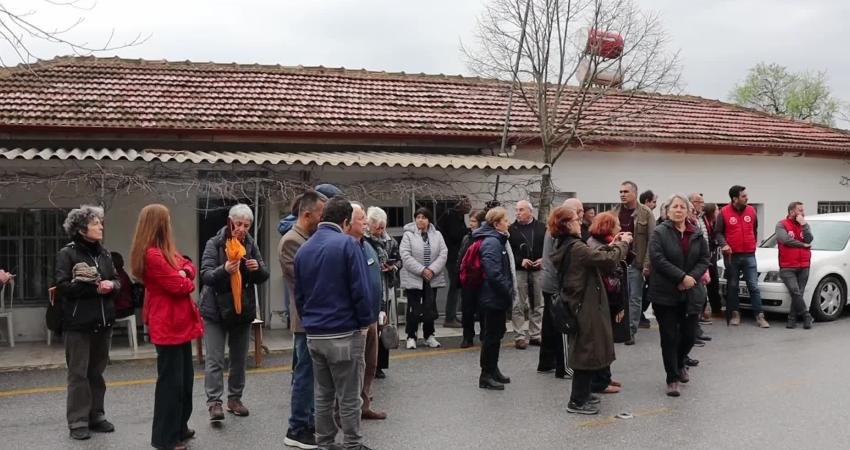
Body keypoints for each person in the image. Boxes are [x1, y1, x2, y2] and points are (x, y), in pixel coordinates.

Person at [294, 197, 374, 450]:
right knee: (349, 396)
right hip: (344, 330)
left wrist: (310, 322)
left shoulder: (303, 249)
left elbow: (299, 296)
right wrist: (365, 323)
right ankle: (353, 444)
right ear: (345, 221)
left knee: (323, 393)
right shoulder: (347, 245)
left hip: (315, 333)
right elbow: (360, 290)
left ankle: (325, 442)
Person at [130, 204, 204, 450]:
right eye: (168, 220)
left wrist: (183, 271)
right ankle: (165, 438)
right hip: (168, 324)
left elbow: (190, 266)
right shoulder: (153, 255)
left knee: (184, 381)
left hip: (178, 323)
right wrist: (183, 275)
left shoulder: (165, 252)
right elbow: (181, 286)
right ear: (159, 224)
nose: (171, 224)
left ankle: (179, 427)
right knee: (170, 385)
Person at [549, 206, 630, 415]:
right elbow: (608, 261)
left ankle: (584, 394)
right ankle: (576, 401)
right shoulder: (575, 247)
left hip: (582, 304)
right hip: (583, 306)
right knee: (586, 352)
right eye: (576, 219)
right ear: (567, 224)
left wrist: (611, 244)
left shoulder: (569, 245)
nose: (580, 222)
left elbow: (594, 255)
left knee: (589, 349)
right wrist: (623, 244)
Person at [54, 205, 120, 440]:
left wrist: (111, 285)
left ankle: (97, 416)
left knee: (97, 373)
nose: (101, 226)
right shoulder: (67, 253)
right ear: (81, 229)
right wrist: (90, 285)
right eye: (95, 223)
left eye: (100, 222)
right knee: (78, 374)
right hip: (78, 324)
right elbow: (62, 287)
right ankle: (78, 421)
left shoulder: (105, 253)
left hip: (103, 323)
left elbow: (116, 280)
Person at [200, 204, 270, 420]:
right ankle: (214, 402)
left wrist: (256, 268)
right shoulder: (215, 243)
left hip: (241, 309)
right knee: (215, 359)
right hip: (215, 309)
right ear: (229, 222)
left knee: (239, 358)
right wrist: (224, 270)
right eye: (238, 224)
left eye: (246, 225)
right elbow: (206, 275)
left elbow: (264, 273)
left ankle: (234, 399)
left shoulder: (250, 244)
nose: (242, 229)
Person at [648, 194, 710, 397]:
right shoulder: (659, 232)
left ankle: (681, 361)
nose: (678, 209)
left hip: (691, 292)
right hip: (665, 293)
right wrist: (681, 277)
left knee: (690, 335)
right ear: (667, 211)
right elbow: (658, 259)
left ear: (687, 210)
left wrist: (691, 278)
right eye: (674, 206)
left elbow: (704, 259)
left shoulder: (696, 232)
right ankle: (672, 378)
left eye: (682, 206)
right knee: (669, 337)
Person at [279, 190, 326, 449]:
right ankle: (296, 428)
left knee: (310, 375)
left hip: (314, 318)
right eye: (321, 213)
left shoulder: (307, 237)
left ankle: (308, 422)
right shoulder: (292, 241)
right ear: (307, 214)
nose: (324, 218)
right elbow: (307, 280)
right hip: (305, 318)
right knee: (304, 375)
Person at [348, 203, 387, 420]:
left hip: (372, 316)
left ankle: (364, 403)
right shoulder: (346, 246)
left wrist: (381, 308)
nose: (365, 223)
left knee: (371, 364)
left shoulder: (368, 245)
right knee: (354, 367)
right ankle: (348, 410)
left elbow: (376, 280)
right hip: (356, 320)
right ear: (347, 222)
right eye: (361, 219)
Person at [538, 199, 581, 379]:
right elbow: (559, 260)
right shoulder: (559, 232)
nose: (581, 214)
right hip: (555, 283)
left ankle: (546, 362)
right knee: (560, 324)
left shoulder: (552, 228)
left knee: (549, 323)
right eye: (578, 211)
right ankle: (562, 366)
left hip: (548, 280)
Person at [472, 207, 514, 390]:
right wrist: (507, 290)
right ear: (496, 224)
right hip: (492, 297)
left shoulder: (497, 239)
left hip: (495, 296)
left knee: (496, 335)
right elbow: (493, 272)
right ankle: (486, 375)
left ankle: (493, 369)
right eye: (505, 220)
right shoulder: (492, 242)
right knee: (490, 337)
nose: (508, 223)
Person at [715, 185, 769, 328]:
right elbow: (718, 232)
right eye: (743, 196)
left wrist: (752, 243)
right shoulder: (724, 212)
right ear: (735, 198)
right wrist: (724, 244)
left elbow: (754, 229)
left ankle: (759, 315)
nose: (747, 198)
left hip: (749, 254)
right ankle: (735, 314)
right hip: (732, 256)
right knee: (733, 286)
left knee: (753, 285)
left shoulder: (751, 210)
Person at [587, 212, 629, 395]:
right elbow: (610, 270)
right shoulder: (596, 245)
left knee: (607, 341)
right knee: (601, 342)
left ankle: (605, 377)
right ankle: (599, 381)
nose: (620, 228)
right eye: (617, 225)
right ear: (608, 226)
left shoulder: (605, 242)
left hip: (609, 299)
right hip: (602, 300)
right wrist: (622, 244)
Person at [611, 181, 655, 345]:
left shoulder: (646, 213)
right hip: (616, 261)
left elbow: (652, 239)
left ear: (635, 194)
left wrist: (647, 263)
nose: (622, 194)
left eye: (626, 191)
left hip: (635, 263)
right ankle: (616, 329)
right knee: (616, 297)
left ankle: (630, 331)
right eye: (621, 191)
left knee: (634, 298)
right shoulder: (614, 211)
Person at [400, 207, 448, 349]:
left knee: (430, 308)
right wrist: (421, 270)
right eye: (418, 217)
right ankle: (411, 336)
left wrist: (432, 270)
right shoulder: (408, 235)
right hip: (414, 277)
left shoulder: (437, 235)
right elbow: (405, 255)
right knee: (413, 308)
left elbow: (443, 253)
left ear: (429, 220)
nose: (420, 220)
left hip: (431, 278)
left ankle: (429, 335)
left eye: (424, 217)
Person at [365, 206, 400, 379]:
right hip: (371, 288)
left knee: (384, 325)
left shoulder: (390, 241)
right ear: (369, 225)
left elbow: (399, 260)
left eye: (383, 227)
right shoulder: (363, 241)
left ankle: (380, 365)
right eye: (377, 227)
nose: (381, 231)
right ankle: (368, 364)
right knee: (372, 328)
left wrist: (392, 266)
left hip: (387, 287)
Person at [509, 200, 546, 349]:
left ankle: (535, 335)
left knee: (538, 304)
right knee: (518, 304)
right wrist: (520, 260)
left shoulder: (542, 228)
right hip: (520, 270)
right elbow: (509, 251)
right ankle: (519, 336)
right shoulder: (511, 229)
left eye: (521, 210)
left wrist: (543, 259)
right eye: (517, 210)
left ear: (531, 212)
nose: (518, 212)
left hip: (538, 270)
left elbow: (549, 248)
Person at [777, 202, 815, 330]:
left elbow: (809, 239)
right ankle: (806, 315)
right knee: (795, 291)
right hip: (787, 266)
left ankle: (792, 319)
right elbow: (785, 240)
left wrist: (804, 225)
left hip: (804, 264)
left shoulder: (805, 224)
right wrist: (802, 245)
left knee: (799, 293)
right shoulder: (781, 224)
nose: (803, 212)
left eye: (803, 210)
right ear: (792, 212)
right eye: (800, 210)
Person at [437, 197, 471, 328]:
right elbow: (456, 234)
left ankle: (452, 315)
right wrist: (468, 232)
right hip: (452, 256)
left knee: (456, 287)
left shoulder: (456, 216)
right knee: (455, 287)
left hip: (454, 254)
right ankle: (450, 317)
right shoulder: (451, 216)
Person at [457, 209, 487, 348]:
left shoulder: (486, 239)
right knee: (467, 310)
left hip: (482, 279)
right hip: (468, 280)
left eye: (474, 221)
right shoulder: (467, 238)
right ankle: (467, 336)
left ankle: (484, 335)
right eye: (470, 221)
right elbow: (461, 258)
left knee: (483, 310)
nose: (471, 224)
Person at [702, 203, 723, 319]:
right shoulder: (703, 222)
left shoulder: (714, 222)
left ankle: (716, 308)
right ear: (711, 211)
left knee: (714, 283)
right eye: (716, 210)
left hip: (712, 256)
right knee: (705, 283)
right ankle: (703, 311)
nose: (718, 212)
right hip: (706, 257)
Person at [110, 252, 135, 319]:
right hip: (127, 307)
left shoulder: (117, 275)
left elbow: (115, 293)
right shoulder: (123, 273)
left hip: (122, 309)